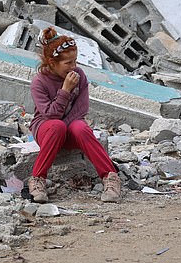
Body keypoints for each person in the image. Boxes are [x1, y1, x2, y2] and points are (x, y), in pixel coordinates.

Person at [27, 26, 121, 203]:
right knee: (57, 125)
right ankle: (38, 179)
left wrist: (68, 128)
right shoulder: (39, 82)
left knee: (80, 128)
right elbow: (49, 115)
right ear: (52, 63)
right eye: (68, 63)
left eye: (75, 61)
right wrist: (65, 90)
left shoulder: (79, 75)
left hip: (69, 127)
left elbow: (81, 110)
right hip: (46, 129)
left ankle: (110, 177)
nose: (73, 67)